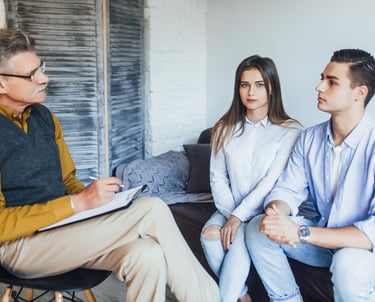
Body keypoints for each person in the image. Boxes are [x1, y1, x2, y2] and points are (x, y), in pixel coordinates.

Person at [0, 28, 219, 302]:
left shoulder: (45, 118)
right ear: (1, 84)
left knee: (146, 255)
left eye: (41, 68)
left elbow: (68, 181)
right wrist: (78, 204)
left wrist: (97, 200)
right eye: (32, 74)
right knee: (151, 209)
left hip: (61, 230)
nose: (44, 78)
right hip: (18, 248)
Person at [246, 48, 375, 302]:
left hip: (363, 249)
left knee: (348, 263)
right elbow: (288, 190)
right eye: (322, 77)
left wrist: (301, 233)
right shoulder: (310, 138)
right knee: (257, 227)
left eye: (332, 82)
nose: (319, 87)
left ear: (360, 93)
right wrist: (277, 213)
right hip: (323, 238)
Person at [200, 55, 302, 302]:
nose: (251, 92)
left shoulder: (290, 130)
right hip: (229, 207)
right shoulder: (224, 128)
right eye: (245, 85)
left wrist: (240, 218)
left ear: (271, 87)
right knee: (209, 236)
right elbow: (217, 178)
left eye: (259, 84)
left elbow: (271, 180)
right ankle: (243, 296)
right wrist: (231, 215)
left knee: (238, 239)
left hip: (264, 210)